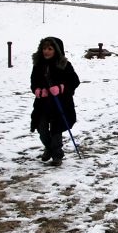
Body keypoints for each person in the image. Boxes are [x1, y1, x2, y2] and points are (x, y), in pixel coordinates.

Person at [30, 37, 80, 166]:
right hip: (43, 104)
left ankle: (57, 154)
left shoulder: (64, 65)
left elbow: (74, 81)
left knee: (56, 130)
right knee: (41, 128)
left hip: (60, 103)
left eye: (50, 49)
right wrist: (38, 90)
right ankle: (49, 148)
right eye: (44, 48)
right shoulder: (38, 65)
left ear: (56, 51)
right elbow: (33, 82)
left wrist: (60, 88)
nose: (46, 51)